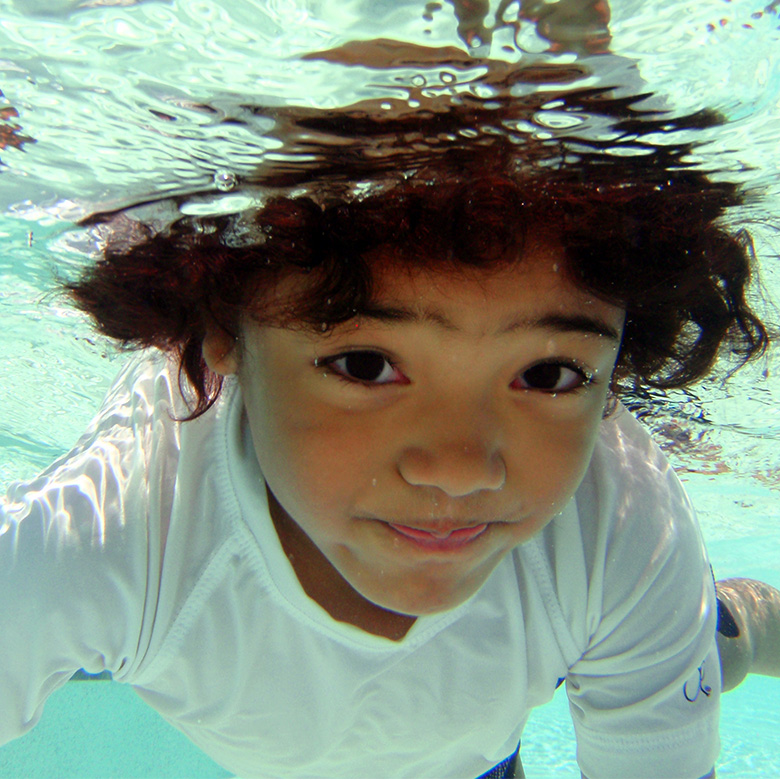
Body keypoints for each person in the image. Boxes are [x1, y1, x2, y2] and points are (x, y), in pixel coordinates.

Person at [2, 12, 779, 780]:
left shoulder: (623, 522)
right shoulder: (120, 523)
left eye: (548, 375)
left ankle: (736, 622)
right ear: (221, 334)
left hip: (483, 762)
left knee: (703, 640)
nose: (459, 469)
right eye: (367, 365)